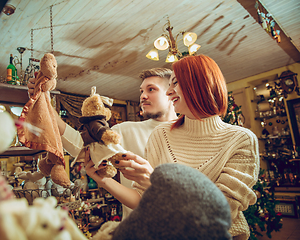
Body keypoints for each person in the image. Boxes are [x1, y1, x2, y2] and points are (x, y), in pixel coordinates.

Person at [86, 55, 260, 240]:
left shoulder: (241, 139)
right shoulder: (160, 135)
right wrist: (104, 181)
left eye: (175, 83)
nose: (169, 92)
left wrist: (155, 182)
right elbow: (143, 202)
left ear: (199, 83)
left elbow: (218, 212)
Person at [27, 68, 178, 219]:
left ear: (171, 92)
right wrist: (44, 100)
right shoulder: (125, 130)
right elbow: (79, 144)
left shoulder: (192, 133)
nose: (143, 96)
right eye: (141, 91)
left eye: (151, 89)